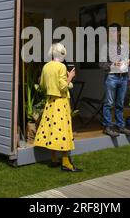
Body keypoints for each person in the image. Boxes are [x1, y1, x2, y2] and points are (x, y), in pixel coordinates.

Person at [34, 43, 82, 172]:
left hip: (50, 102)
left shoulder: (46, 66)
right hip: (61, 102)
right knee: (63, 131)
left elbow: (42, 84)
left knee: (52, 130)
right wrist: (70, 77)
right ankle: (66, 163)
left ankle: (54, 159)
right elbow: (63, 87)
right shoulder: (61, 66)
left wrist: (65, 82)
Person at [99, 23, 130, 138]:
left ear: (119, 33)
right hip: (112, 77)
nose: (113, 34)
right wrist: (112, 64)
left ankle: (120, 126)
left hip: (123, 77)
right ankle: (108, 127)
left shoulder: (125, 46)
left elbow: (126, 63)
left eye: (115, 32)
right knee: (109, 103)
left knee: (120, 103)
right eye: (111, 32)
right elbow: (101, 64)